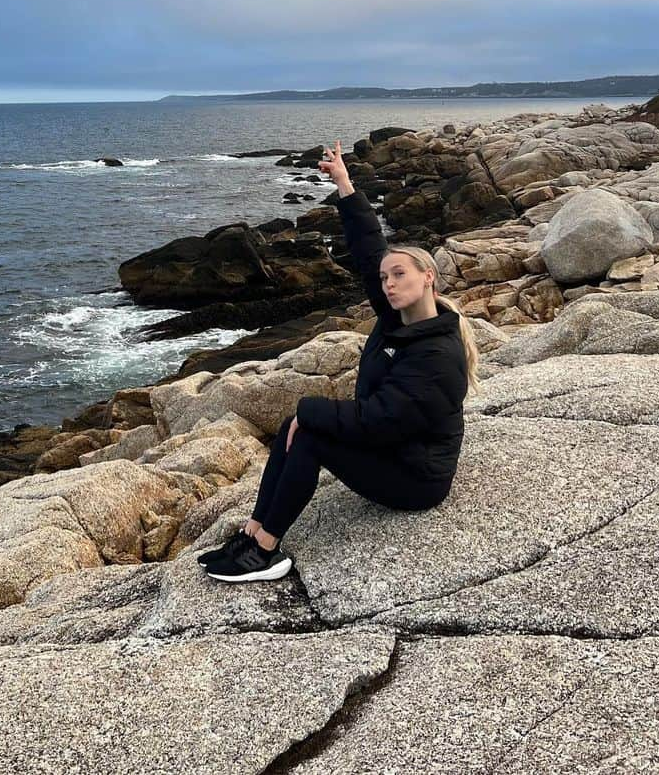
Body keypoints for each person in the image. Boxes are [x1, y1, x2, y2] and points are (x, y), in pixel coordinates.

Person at [200, 138, 480, 583]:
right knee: (298, 422)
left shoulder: (437, 354)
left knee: (309, 434)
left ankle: (266, 552)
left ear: (429, 277)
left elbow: (381, 419)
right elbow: (372, 251)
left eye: (400, 275)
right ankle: (252, 534)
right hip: (395, 450)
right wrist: (346, 184)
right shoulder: (398, 319)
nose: (388, 283)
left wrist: (309, 414)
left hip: (416, 479)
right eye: (387, 278)